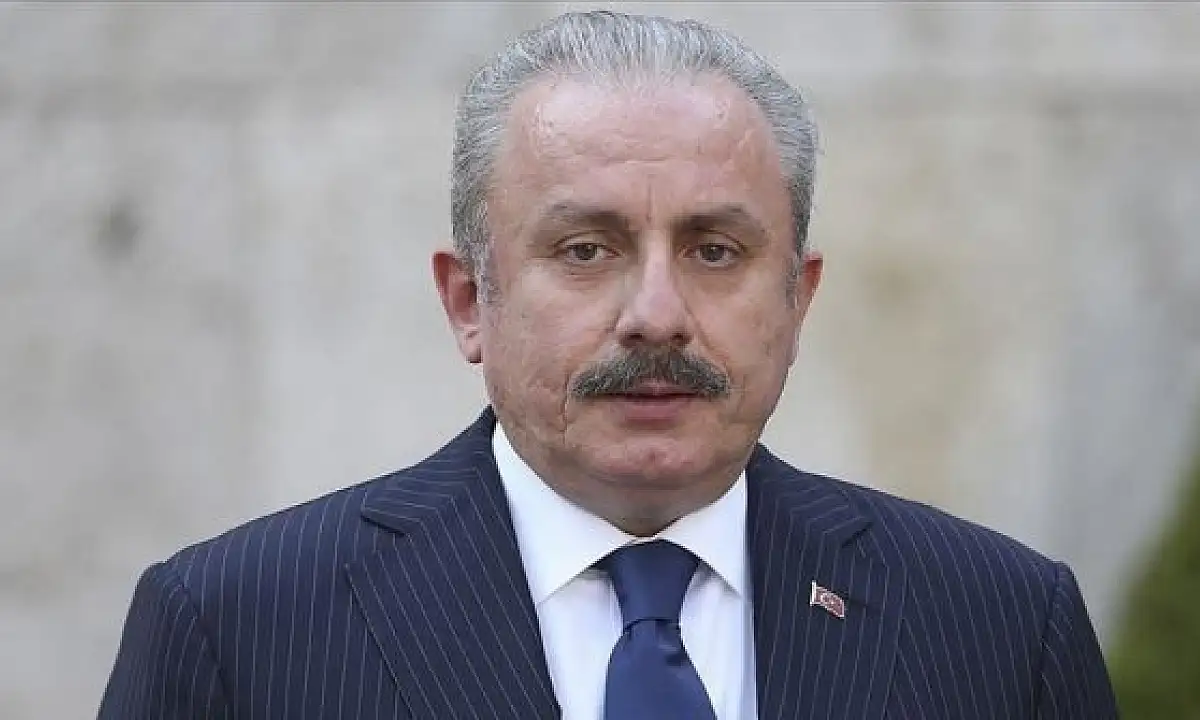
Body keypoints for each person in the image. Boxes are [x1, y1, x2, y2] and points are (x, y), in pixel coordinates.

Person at [99, 10, 1117, 719]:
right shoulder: (238, 627)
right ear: (469, 301)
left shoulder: (995, 624)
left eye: (715, 251)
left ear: (796, 301)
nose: (656, 316)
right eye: (585, 249)